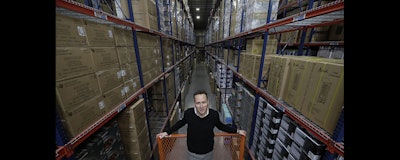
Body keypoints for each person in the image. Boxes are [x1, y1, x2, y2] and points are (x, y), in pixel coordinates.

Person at [157, 89, 246, 160]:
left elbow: (221, 126)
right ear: (194, 104)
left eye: (203, 102)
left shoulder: (214, 115)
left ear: (208, 102)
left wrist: (237, 131)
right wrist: (167, 132)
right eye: (198, 103)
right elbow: (180, 123)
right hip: (192, 153)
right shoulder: (189, 114)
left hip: (208, 153)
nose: (201, 106)